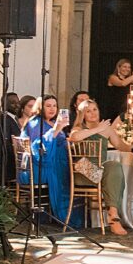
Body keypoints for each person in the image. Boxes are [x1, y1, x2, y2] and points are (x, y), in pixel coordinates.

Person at [68, 100, 132, 236]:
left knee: (114, 166)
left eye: (94, 109)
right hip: (83, 170)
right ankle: (114, 219)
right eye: (88, 111)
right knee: (110, 173)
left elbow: (121, 146)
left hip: (100, 171)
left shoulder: (106, 129)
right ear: (82, 115)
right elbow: (74, 137)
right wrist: (98, 129)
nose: (92, 113)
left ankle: (113, 214)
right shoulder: (78, 129)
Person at [21, 94, 77, 227]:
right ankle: (65, 216)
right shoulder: (35, 123)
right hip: (39, 166)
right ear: (41, 107)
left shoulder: (52, 122)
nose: (52, 109)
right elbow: (38, 149)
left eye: (54, 106)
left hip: (56, 161)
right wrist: (56, 130)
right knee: (69, 174)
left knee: (76, 170)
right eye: (48, 106)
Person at [0, 92, 20, 187]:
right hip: (7, 167)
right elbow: (1, 146)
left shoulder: (13, 120)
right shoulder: (1, 121)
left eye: (18, 102)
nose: (17, 105)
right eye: (13, 103)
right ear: (4, 104)